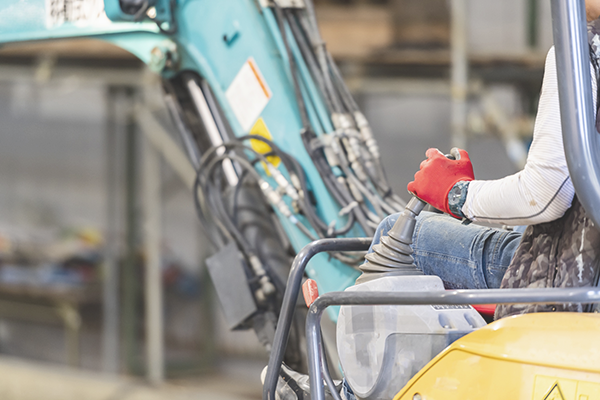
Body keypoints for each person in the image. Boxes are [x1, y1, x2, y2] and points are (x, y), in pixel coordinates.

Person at [368, 0, 600, 319]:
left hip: (575, 276)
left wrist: (457, 194)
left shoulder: (581, 50)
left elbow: (545, 195)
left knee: (395, 232)